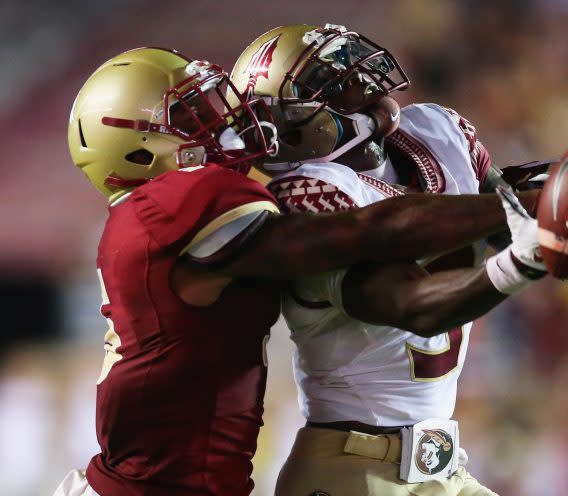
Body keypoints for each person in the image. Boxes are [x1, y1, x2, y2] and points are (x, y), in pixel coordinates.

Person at [54, 46, 542, 496]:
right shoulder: (169, 202)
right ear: (138, 152)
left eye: (213, 100)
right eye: (190, 113)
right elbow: (363, 233)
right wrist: (526, 215)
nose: (225, 117)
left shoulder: (162, 214)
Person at [230, 24, 568, 495]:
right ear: (290, 123)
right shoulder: (304, 196)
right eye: (331, 82)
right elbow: (412, 302)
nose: (360, 82)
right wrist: (528, 247)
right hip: (353, 470)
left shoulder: (433, 131)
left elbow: (509, 221)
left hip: (440, 467)